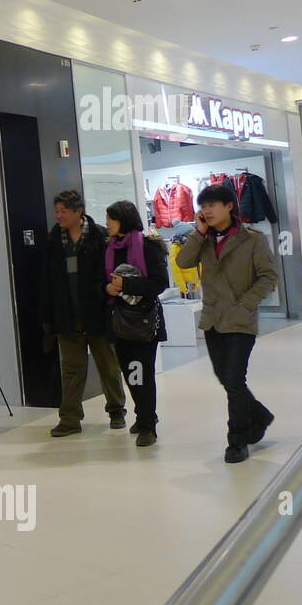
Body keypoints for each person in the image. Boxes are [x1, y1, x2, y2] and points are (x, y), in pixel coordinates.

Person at [176, 183, 278, 463]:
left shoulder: (253, 239)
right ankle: (259, 415)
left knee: (234, 379)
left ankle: (237, 440)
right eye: (203, 206)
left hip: (240, 320)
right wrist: (198, 233)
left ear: (229, 206)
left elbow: (268, 277)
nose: (206, 211)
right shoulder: (203, 238)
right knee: (226, 379)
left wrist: (246, 304)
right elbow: (184, 262)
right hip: (212, 319)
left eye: (212, 205)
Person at [39, 189, 127, 436]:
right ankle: (69, 418)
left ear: (79, 212)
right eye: (56, 211)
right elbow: (46, 279)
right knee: (71, 369)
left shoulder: (100, 236)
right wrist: (47, 315)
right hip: (66, 316)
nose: (58, 216)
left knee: (108, 365)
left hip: (97, 312)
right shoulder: (54, 239)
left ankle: (117, 410)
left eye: (63, 211)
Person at [102, 201, 168, 447]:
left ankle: (148, 425)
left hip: (143, 321)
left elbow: (159, 283)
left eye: (111, 218)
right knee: (130, 373)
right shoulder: (108, 248)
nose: (107, 223)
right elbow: (101, 281)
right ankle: (144, 415)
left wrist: (125, 286)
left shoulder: (148, 247)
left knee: (142, 373)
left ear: (124, 220)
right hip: (118, 321)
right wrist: (106, 288)